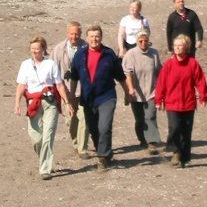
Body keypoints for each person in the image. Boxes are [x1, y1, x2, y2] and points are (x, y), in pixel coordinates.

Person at [14, 35, 74, 180]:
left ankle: (45, 169)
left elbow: (59, 85)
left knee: (48, 135)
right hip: (33, 102)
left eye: (38, 49)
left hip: (49, 102)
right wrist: (17, 103)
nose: (35, 51)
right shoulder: (25, 65)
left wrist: (67, 102)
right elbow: (21, 85)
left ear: (43, 49)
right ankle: (44, 159)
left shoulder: (51, 64)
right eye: (33, 49)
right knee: (35, 137)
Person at [69, 24, 129, 170]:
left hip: (107, 96)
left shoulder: (109, 54)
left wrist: (127, 93)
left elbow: (120, 76)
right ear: (87, 38)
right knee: (94, 129)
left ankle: (103, 156)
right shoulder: (80, 55)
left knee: (104, 126)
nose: (94, 39)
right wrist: (71, 98)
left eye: (97, 36)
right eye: (91, 37)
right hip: (88, 98)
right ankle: (105, 153)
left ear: (101, 37)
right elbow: (74, 78)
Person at [153, 34, 207, 168]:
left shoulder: (192, 64)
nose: (177, 48)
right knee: (174, 127)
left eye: (180, 45)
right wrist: (158, 99)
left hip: (188, 103)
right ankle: (175, 151)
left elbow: (200, 81)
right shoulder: (168, 64)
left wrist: (203, 96)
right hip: (172, 103)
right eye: (175, 45)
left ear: (186, 47)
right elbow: (161, 83)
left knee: (186, 131)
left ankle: (185, 157)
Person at [51, 20, 90, 157]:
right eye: (72, 34)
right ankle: (76, 142)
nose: (74, 37)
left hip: (83, 89)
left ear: (80, 34)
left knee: (84, 117)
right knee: (71, 120)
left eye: (77, 34)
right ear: (67, 33)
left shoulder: (86, 47)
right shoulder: (58, 49)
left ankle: (82, 148)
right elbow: (53, 70)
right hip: (66, 90)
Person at [122, 30, 162, 154]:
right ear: (136, 41)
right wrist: (130, 89)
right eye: (140, 41)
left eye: (145, 41)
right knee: (140, 119)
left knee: (150, 116)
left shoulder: (154, 53)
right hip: (136, 93)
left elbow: (159, 71)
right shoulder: (131, 54)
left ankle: (152, 142)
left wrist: (161, 88)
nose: (143, 43)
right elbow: (127, 73)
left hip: (151, 91)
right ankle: (142, 139)